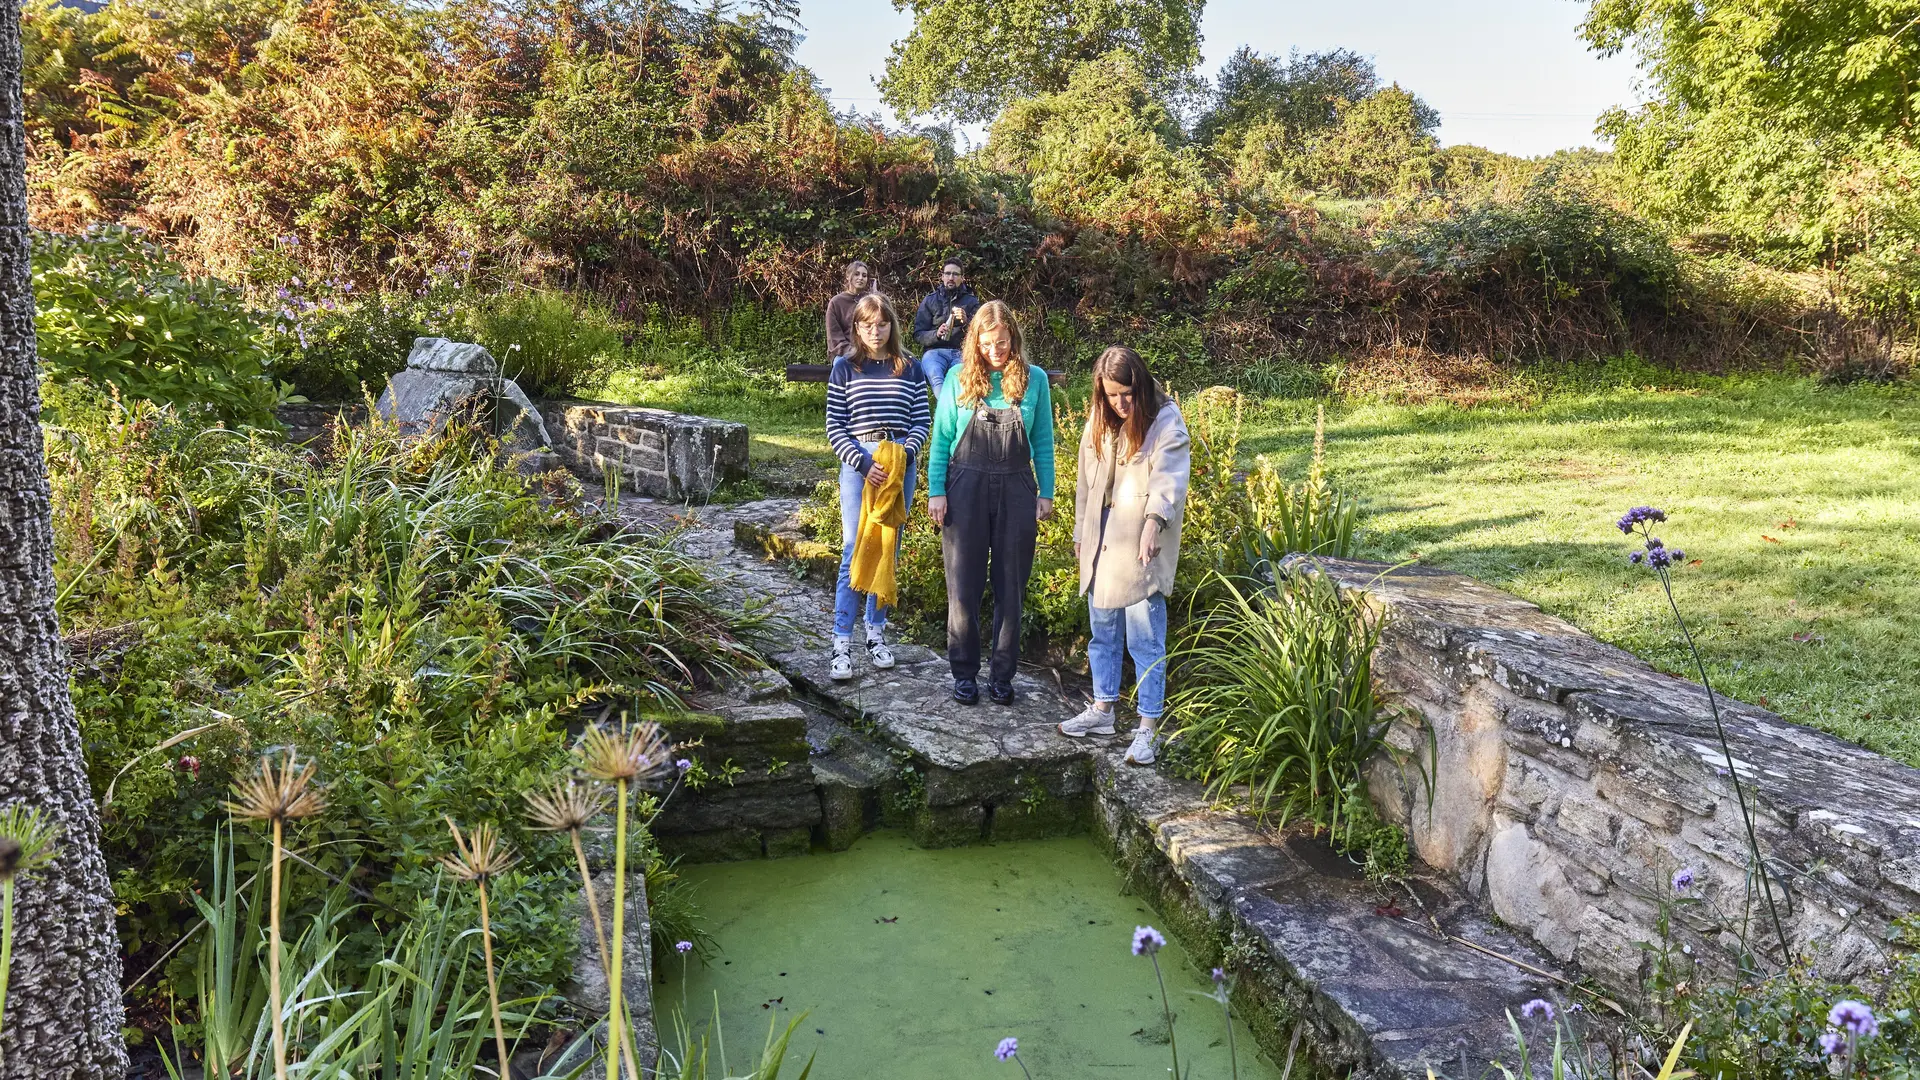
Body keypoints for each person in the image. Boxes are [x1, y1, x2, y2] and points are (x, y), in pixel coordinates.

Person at [1056, 346, 1191, 766]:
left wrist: (1154, 522)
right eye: (1112, 395)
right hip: (1101, 545)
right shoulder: (1101, 418)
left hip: (1138, 546)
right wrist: (1081, 531)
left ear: (1140, 385)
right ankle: (1102, 710)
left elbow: (1169, 478)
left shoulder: (1165, 419)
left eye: (1127, 394)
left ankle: (1148, 728)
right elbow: (1085, 482)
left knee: (1145, 638)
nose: (1120, 403)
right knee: (1103, 632)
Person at [927, 301, 1055, 706]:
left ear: (1013, 340)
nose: (995, 351)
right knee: (963, 587)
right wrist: (936, 490)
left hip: (1018, 489)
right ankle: (964, 673)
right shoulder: (957, 378)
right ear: (975, 344)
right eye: (986, 344)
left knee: (1010, 587)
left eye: (1002, 343)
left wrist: (1046, 492)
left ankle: (1003, 674)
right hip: (964, 486)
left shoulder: (1034, 381)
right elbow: (942, 439)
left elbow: (1044, 443)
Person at [825, 293, 930, 680]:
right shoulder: (844, 368)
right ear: (856, 327)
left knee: (888, 548)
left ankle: (876, 633)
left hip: (900, 463)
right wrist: (865, 462)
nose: (875, 330)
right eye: (867, 324)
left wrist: (902, 455)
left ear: (892, 325)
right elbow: (834, 426)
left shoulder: (911, 368)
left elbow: (922, 420)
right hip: (859, 464)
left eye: (881, 323)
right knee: (855, 547)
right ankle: (840, 642)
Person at [911, 257, 980, 392]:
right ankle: (946, 409)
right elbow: (918, 334)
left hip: (961, 352)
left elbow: (981, 332)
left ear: (962, 278)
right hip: (934, 352)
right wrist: (935, 334)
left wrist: (967, 322)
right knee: (936, 378)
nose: (951, 277)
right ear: (942, 277)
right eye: (947, 274)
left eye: (955, 274)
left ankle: (951, 410)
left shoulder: (971, 302)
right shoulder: (930, 300)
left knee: (960, 382)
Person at [824, 260, 874, 360]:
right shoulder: (836, 302)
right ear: (848, 276)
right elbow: (834, 337)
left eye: (864, 275)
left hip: (870, 352)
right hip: (844, 354)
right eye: (856, 274)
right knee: (840, 364)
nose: (860, 278)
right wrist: (853, 352)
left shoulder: (870, 300)